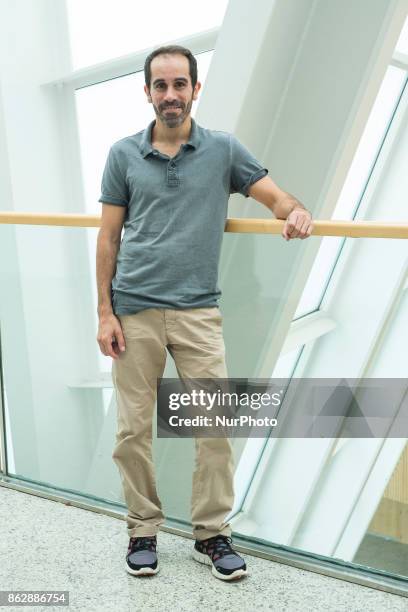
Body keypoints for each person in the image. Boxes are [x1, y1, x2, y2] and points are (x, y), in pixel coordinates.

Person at [96, 44, 313, 582]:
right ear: (147, 92)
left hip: (197, 314)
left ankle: (212, 535)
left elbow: (276, 198)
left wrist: (296, 211)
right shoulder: (123, 155)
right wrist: (105, 312)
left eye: (180, 84)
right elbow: (107, 240)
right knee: (132, 432)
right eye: (161, 85)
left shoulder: (223, 151)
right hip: (135, 312)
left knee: (214, 426)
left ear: (196, 89)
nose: (171, 95)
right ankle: (142, 529)